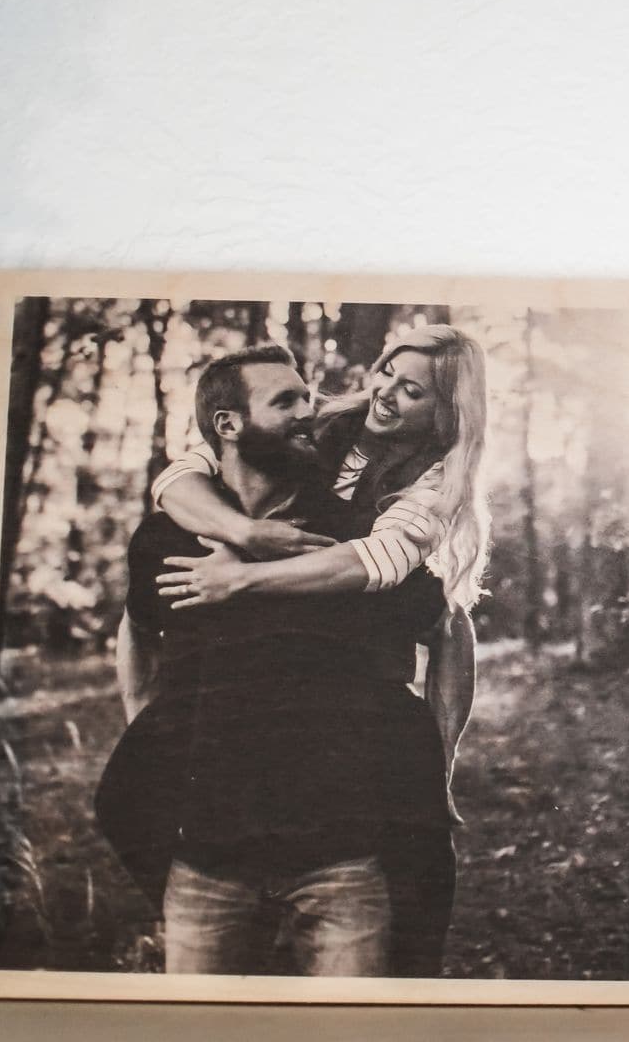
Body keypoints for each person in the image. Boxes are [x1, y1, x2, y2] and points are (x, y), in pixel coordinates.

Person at [95, 345, 454, 977]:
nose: (308, 412)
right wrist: (150, 734)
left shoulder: (348, 533)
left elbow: (447, 625)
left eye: (307, 398)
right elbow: (138, 629)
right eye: (285, 401)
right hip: (208, 861)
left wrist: (442, 760)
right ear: (229, 425)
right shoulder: (166, 537)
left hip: (341, 861)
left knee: (353, 1023)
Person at [143, 323, 490, 807]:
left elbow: (380, 561)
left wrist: (241, 579)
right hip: (283, 617)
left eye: (411, 391)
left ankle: (435, 770)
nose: (385, 394)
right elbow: (180, 475)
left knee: (447, 616)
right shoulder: (322, 418)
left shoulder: (438, 481)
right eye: (386, 373)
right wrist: (247, 533)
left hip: (356, 619)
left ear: (446, 413)